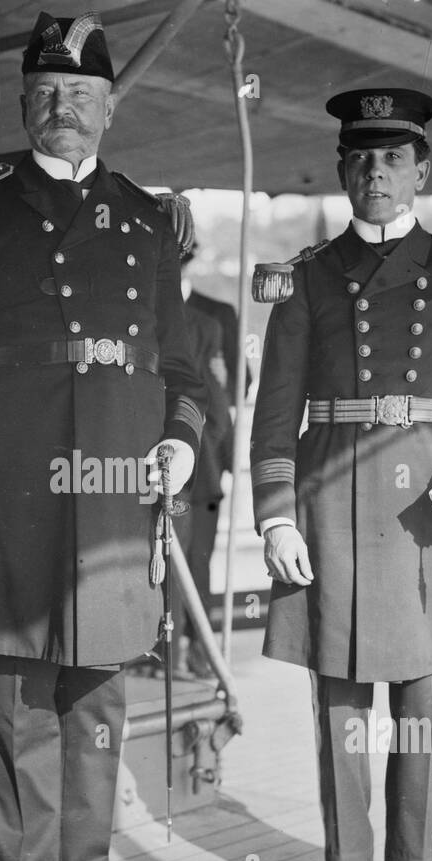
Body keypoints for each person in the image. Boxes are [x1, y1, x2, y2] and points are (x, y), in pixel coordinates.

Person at [0, 11, 206, 861]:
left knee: (100, 695)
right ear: (26, 105)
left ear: (109, 108)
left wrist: (182, 446)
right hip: (13, 489)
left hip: (118, 487)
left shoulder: (151, 220)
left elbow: (185, 371)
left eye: (81, 96)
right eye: (45, 95)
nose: (62, 109)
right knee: (24, 693)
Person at [250, 88, 432, 861]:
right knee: (340, 701)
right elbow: (274, 417)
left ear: (421, 171)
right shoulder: (304, 280)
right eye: (361, 158)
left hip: (428, 513)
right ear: (342, 170)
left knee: (422, 703)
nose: (376, 172)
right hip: (330, 506)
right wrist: (275, 516)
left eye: (393, 159)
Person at [169, 249, 235, 679]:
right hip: (180, 462)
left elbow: (221, 393)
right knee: (181, 557)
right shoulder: (194, 322)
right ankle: (175, 648)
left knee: (195, 557)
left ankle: (188, 649)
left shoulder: (209, 321)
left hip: (200, 466)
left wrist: (218, 456)